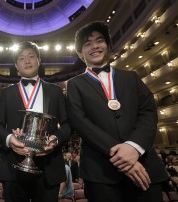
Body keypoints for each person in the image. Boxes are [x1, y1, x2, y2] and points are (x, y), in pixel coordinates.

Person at [66, 21, 168, 202]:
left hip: (143, 164)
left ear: (107, 46)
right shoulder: (75, 84)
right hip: (100, 172)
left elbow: (148, 112)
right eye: (87, 44)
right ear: (80, 54)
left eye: (99, 41)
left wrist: (133, 148)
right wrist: (120, 154)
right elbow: (79, 121)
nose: (95, 46)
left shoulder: (132, 77)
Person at [0, 41, 71, 202]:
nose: (27, 61)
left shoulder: (55, 91)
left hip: (49, 167)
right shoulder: (7, 93)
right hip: (14, 166)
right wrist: (10, 140)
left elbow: (67, 124)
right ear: (16, 65)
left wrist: (55, 140)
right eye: (21, 58)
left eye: (31, 56)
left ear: (39, 60)